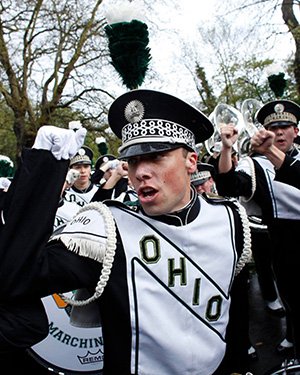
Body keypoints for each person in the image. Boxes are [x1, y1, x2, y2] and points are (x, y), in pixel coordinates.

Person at [0, 89, 252, 374]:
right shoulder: (106, 230)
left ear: (191, 161)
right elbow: (14, 278)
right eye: (133, 161)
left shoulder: (231, 218)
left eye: (156, 156)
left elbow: (236, 310)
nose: (141, 172)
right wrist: (46, 165)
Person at [215, 99, 300, 363]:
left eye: (286, 126)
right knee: (292, 296)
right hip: (284, 240)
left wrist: (272, 152)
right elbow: (229, 185)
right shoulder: (255, 164)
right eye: (273, 127)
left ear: (296, 131)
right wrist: (227, 149)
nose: (279, 132)